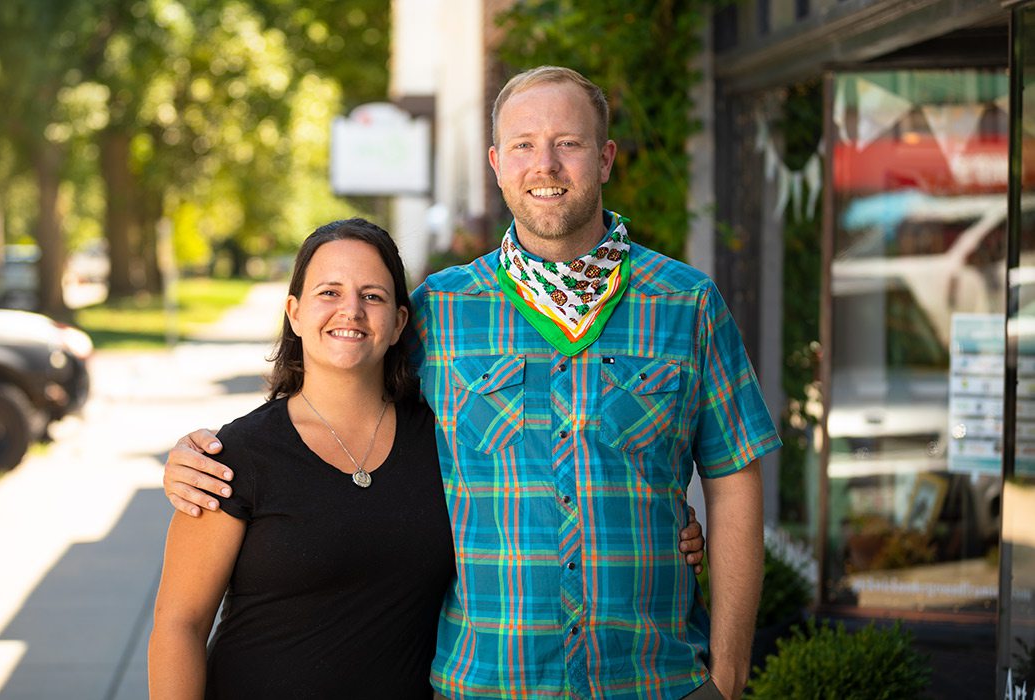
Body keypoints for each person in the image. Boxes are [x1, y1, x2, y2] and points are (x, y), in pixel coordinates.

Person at [164, 65, 776, 700]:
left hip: (654, 681)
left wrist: (728, 677)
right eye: (523, 145)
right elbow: (335, 406)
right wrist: (204, 459)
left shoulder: (687, 304)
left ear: (605, 159)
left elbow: (734, 477)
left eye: (569, 143)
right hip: (484, 685)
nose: (546, 164)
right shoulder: (437, 313)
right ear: (496, 163)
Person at [148, 220, 456, 698]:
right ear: (294, 312)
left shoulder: (444, 439)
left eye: (372, 296)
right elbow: (178, 625)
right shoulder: (237, 456)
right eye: (328, 292)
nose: (350, 310)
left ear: (398, 323)